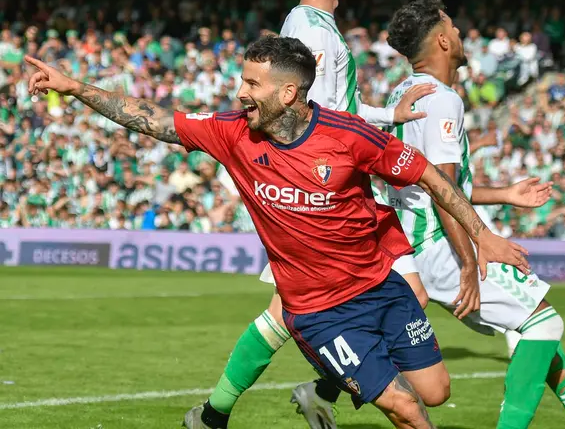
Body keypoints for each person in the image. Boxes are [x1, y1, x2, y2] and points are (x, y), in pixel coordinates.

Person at [25, 36, 531, 429]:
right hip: (318, 311)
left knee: (436, 391)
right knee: (407, 409)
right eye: (242, 80)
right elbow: (154, 120)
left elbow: (428, 175)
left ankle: (318, 390)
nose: (240, 92)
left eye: (252, 84)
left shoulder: (349, 138)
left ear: (288, 93)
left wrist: (480, 234)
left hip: (382, 287)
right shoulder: (231, 132)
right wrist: (76, 88)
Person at [292, 0, 565, 429]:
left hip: (405, 241)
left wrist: (505, 194)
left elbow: (432, 181)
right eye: (454, 29)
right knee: (544, 323)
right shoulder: (442, 100)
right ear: (442, 40)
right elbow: (442, 188)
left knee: (532, 321)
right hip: (438, 242)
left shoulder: (405, 93)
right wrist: (470, 257)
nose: (460, 36)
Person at [189, 0, 438, 426]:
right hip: (320, 191)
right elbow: (309, 114)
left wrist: (384, 115)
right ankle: (221, 411)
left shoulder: (315, 23)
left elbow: (336, 106)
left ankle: (301, 395)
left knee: (393, 298)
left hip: (341, 186)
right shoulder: (313, 29)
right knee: (288, 313)